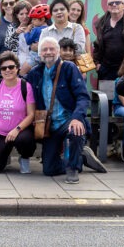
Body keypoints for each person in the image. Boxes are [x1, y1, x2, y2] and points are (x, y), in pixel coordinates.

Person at [26, 37, 93, 183]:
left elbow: (83, 96)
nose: (48, 52)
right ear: (39, 53)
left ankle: (73, 169)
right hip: (49, 125)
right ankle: (81, 160)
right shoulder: (35, 73)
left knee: (76, 130)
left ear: (58, 51)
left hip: (68, 119)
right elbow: (20, 85)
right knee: (48, 170)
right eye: (45, 49)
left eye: (52, 49)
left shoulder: (69, 68)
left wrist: (77, 118)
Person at [93, 0, 124, 80]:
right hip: (106, 69)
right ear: (108, 6)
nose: (114, 4)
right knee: (106, 93)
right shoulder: (101, 23)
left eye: (117, 2)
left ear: (123, 6)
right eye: (111, 3)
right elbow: (98, 44)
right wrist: (97, 63)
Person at [19, 4, 50, 76]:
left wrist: (27, 31)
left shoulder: (36, 29)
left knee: (22, 73)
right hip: (45, 57)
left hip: (34, 56)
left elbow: (28, 41)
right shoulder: (49, 29)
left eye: (34, 19)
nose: (32, 21)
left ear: (42, 19)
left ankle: (27, 84)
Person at [7, 2, 33, 70]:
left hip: (33, 64)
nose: (25, 16)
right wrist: (16, 34)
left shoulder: (35, 27)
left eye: (27, 13)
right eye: (21, 14)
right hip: (17, 64)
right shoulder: (12, 27)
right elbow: (8, 45)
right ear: (16, 15)